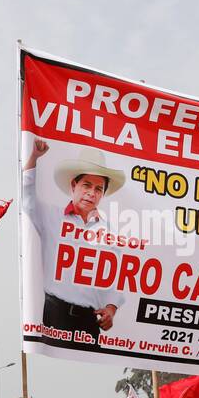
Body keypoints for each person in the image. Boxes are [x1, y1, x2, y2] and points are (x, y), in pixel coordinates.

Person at [22, 138, 126, 342]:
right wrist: (34, 157)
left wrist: (111, 310)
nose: (91, 193)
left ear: (103, 194)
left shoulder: (109, 232)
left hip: (89, 322)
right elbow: (26, 194)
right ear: (73, 185)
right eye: (86, 185)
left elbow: (116, 277)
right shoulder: (51, 216)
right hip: (55, 314)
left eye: (98, 189)